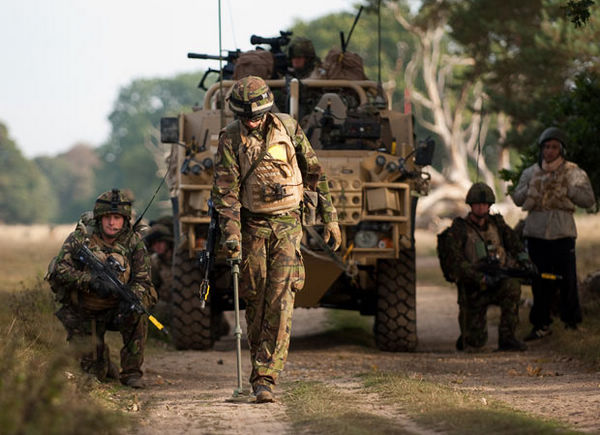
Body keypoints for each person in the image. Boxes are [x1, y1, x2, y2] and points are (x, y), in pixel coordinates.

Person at [212, 76, 341, 403]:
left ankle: (266, 376)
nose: (251, 121)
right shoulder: (230, 138)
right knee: (254, 298)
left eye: (255, 115)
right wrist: (232, 237)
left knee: (281, 299)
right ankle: (259, 360)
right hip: (252, 225)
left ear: (267, 109)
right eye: (245, 116)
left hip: (287, 224)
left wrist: (331, 217)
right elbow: (225, 194)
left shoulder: (288, 128)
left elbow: (314, 172)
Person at [46, 189, 158, 388]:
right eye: (107, 218)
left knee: (139, 311)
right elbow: (60, 270)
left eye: (117, 218)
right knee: (95, 374)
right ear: (99, 218)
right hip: (84, 309)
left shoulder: (133, 242)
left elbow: (143, 280)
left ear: (125, 220)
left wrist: (131, 298)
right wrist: (90, 281)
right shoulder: (81, 238)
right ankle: (104, 364)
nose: (112, 223)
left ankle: (131, 372)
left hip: (118, 309)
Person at [511, 127, 595, 340]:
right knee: (539, 281)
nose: (549, 151)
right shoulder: (530, 172)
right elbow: (518, 199)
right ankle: (540, 324)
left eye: (554, 147)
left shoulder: (574, 173)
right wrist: (531, 187)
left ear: (562, 150)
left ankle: (571, 323)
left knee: (567, 280)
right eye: (546, 147)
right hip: (536, 234)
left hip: (562, 233)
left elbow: (588, 200)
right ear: (541, 149)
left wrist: (569, 189)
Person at [439, 183, 531, 352]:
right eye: (477, 204)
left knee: (512, 286)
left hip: (497, 280)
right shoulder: (459, 230)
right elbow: (457, 263)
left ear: (489, 206)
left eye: (484, 204)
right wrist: (480, 277)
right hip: (473, 287)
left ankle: (508, 338)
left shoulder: (498, 225)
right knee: (475, 343)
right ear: (470, 205)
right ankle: (468, 335)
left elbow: (515, 245)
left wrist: (525, 262)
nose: (481, 207)